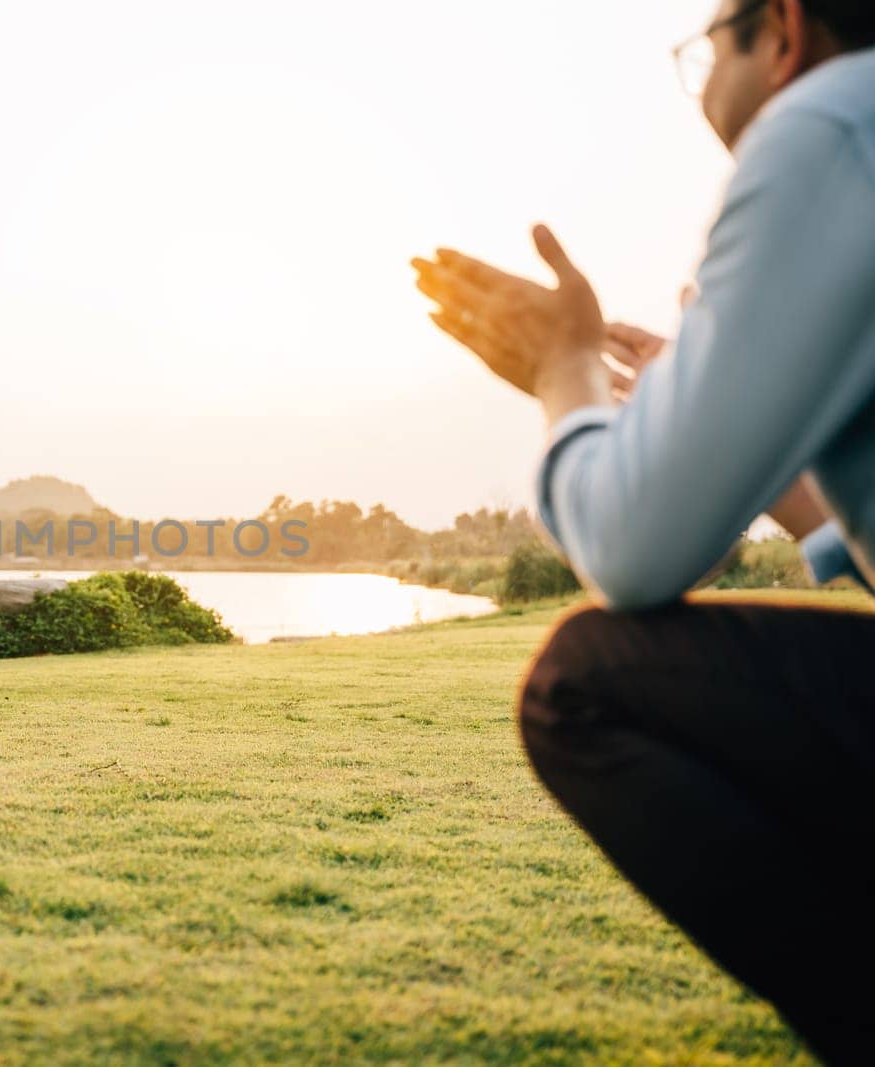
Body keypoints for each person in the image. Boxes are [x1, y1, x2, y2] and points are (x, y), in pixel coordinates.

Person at [411, 1, 874, 1061]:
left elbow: (628, 548)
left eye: (706, 44)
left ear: (782, 32)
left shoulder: (820, 127)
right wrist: (743, 443)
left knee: (583, 678)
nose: (703, 73)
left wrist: (561, 369)